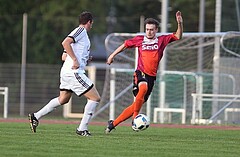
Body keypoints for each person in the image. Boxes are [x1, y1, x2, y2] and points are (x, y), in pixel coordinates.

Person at [105, 11, 183, 133]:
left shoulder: (162, 40)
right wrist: (112, 55)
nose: (149, 32)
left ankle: (113, 124)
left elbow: (178, 36)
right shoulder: (140, 39)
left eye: (152, 29)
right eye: (147, 29)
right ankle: (135, 119)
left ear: (156, 30)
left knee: (135, 105)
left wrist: (179, 23)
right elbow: (125, 45)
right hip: (140, 72)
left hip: (152, 77)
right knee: (143, 87)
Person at [28, 11, 100, 136]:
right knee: (95, 98)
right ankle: (82, 129)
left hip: (66, 72)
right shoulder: (80, 31)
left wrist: (83, 58)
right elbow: (65, 43)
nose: (91, 25)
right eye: (91, 23)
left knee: (63, 99)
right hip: (74, 72)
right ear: (89, 22)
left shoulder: (79, 35)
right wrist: (76, 60)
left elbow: (63, 56)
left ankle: (36, 116)